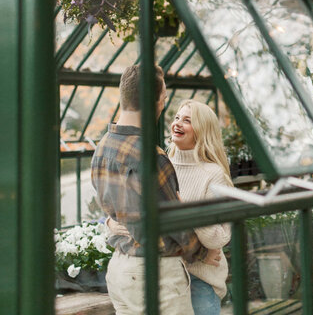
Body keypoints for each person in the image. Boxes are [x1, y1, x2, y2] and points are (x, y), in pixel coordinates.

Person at [91, 65, 220, 315]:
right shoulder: (151, 157)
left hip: (120, 270)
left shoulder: (102, 148)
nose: (162, 106)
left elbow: (107, 202)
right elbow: (175, 222)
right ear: (154, 103)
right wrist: (204, 253)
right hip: (155, 274)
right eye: (162, 100)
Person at [110, 99, 233, 315]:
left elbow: (221, 237)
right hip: (164, 277)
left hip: (199, 281)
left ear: (202, 130)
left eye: (187, 120)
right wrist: (111, 223)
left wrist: (188, 212)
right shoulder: (162, 165)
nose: (177, 123)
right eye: (177, 117)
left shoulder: (213, 174)